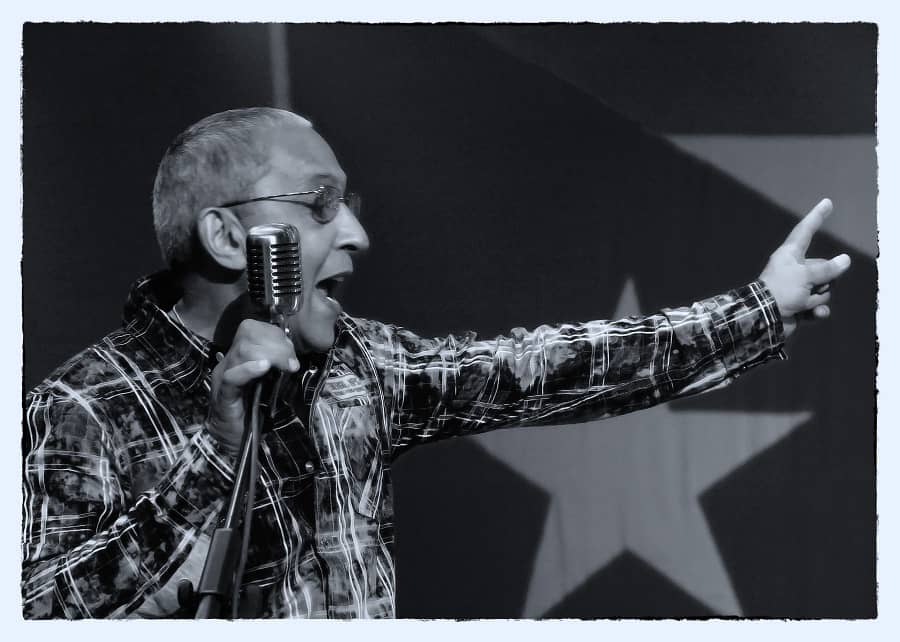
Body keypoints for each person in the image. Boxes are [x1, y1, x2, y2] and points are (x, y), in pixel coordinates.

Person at [21, 107, 851, 619]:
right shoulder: (84, 407)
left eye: (349, 206)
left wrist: (759, 307)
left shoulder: (359, 364)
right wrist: (218, 453)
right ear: (230, 237)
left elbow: (546, 368)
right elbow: (47, 615)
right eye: (320, 203)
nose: (356, 234)